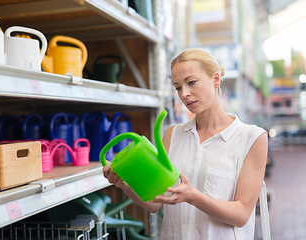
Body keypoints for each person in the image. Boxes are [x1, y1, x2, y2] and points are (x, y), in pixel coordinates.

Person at [102, 48, 268, 239]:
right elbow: (155, 203)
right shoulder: (173, 135)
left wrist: (194, 197)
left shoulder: (251, 138)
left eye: (191, 83)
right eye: (178, 87)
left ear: (215, 79)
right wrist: (125, 184)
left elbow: (241, 215)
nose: (184, 94)